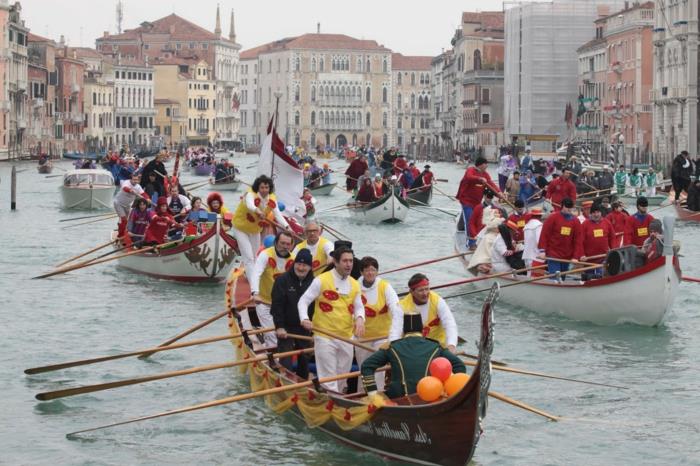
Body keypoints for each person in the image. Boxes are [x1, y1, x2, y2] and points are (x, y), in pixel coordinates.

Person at [298, 247, 365, 392]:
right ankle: (331, 401)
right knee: (329, 377)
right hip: (324, 336)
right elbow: (303, 301)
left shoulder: (355, 284)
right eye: (345, 261)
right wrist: (304, 318)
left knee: (343, 376)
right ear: (335, 262)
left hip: (346, 337)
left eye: (351, 261)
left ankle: (337, 399)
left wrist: (360, 318)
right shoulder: (321, 280)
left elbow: (359, 307)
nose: (349, 264)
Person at [360, 312, 466, 399]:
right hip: (429, 397)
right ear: (422, 330)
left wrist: (372, 395)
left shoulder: (391, 347)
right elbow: (459, 366)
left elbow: (367, 366)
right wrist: (447, 389)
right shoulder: (436, 347)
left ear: (403, 331)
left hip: (398, 398)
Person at [231, 175, 290, 286]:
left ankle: (250, 274)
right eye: (262, 187)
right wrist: (257, 211)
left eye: (266, 187)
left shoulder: (272, 199)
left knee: (255, 257)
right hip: (240, 228)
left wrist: (287, 227)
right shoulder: (250, 194)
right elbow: (250, 205)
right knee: (248, 257)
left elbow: (278, 215)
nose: (264, 190)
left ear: (269, 188)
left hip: (255, 230)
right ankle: (254, 286)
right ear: (258, 188)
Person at [354, 256, 401, 392]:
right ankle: (362, 395)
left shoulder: (385, 287)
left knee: (378, 368)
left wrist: (397, 332)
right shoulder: (355, 287)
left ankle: (378, 394)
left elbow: (395, 307)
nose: (370, 273)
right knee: (364, 367)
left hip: (382, 336)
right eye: (367, 270)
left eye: (373, 270)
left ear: (377, 272)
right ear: (361, 272)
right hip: (362, 336)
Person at [270, 248, 315, 379]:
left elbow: (317, 308)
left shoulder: (315, 282)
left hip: (305, 327)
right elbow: (276, 306)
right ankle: (286, 381)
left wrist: (314, 330)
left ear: (310, 267)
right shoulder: (282, 280)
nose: (301, 268)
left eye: (305, 265)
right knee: (286, 359)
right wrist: (279, 326)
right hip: (286, 327)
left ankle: (303, 384)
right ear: (294, 264)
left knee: (304, 361)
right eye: (298, 264)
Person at [390, 274, 458, 353]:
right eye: (421, 290)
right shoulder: (402, 306)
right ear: (411, 292)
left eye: (427, 289)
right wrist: (393, 350)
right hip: (414, 349)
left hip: (438, 348)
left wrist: (451, 346)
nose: (425, 293)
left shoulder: (438, 301)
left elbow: (450, 324)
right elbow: (396, 331)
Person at [251, 231, 296, 349]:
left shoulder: (294, 260)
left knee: (285, 334)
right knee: (271, 333)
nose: (284, 247)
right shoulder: (265, 255)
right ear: (276, 242)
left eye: (287, 244)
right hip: (264, 301)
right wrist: (255, 293)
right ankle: (274, 358)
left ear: (291, 246)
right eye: (282, 243)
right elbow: (256, 273)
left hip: (283, 304)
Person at [456, 157, 504, 248]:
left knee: (478, 220)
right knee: (470, 220)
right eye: (486, 164)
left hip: (477, 202)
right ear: (481, 164)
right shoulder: (470, 170)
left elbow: (491, 185)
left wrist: (499, 193)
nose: (487, 165)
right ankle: (471, 243)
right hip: (466, 200)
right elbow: (469, 177)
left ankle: (463, 227)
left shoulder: (486, 174)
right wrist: (479, 178)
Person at [538, 197, 582, 280]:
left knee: (562, 278)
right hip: (553, 254)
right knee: (555, 278)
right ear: (562, 206)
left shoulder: (576, 221)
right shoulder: (553, 218)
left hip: (567, 255)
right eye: (567, 207)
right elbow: (544, 234)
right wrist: (542, 250)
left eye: (570, 207)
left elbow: (578, 240)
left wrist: (576, 257)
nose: (569, 209)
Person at [578, 204, 616, 276]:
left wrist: (613, 250)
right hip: (588, 259)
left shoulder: (607, 223)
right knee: (589, 278)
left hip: (603, 257)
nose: (596, 215)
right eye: (594, 213)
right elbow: (580, 241)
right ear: (591, 214)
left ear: (601, 213)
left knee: (601, 276)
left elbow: (612, 238)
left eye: (598, 212)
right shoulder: (585, 224)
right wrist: (581, 254)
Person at [113, 172, 149, 243]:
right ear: (131, 179)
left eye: (136, 180)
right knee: (124, 220)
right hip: (118, 203)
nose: (135, 181)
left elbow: (143, 194)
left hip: (127, 205)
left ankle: (123, 230)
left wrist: (148, 199)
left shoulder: (138, 187)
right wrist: (130, 190)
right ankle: (120, 236)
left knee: (128, 222)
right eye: (134, 180)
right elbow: (125, 188)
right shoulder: (126, 182)